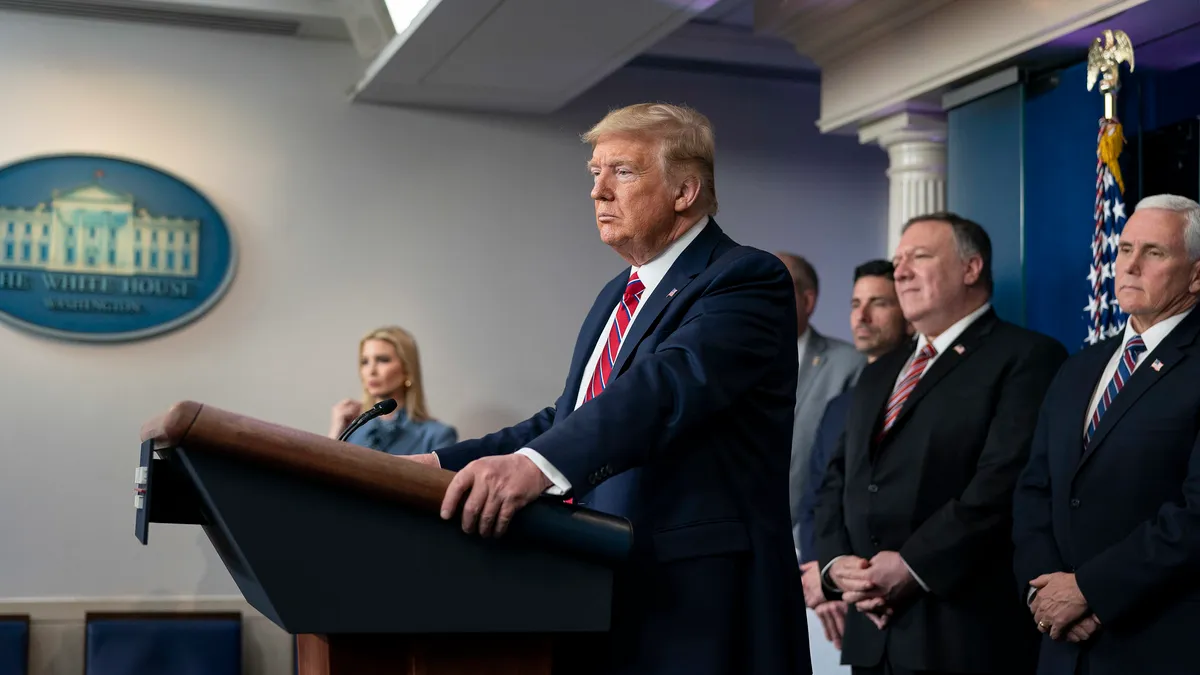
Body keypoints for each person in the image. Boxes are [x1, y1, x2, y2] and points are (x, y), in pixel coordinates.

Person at [402, 102, 809, 675]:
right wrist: (438, 463)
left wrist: (536, 467)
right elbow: (566, 417)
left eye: (622, 171)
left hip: (698, 600)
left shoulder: (746, 278)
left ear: (684, 191)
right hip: (602, 584)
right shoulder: (617, 293)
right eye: (594, 173)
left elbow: (662, 388)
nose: (598, 191)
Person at [815, 212, 1068, 675]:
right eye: (898, 260)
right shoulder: (877, 372)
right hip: (872, 632)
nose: (902, 271)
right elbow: (837, 480)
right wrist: (836, 567)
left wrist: (911, 565)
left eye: (920, 257)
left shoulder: (1027, 357)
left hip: (960, 632)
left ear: (971, 269)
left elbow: (1002, 483)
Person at [1012, 194, 1200, 675]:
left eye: (1154, 252)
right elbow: (1035, 489)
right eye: (1123, 249)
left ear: (1196, 274)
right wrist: (1044, 591)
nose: (1130, 266)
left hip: (1159, 643)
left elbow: (1196, 514)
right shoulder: (1080, 367)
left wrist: (1090, 590)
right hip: (1062, 644)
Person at [798, 259, 911, 656]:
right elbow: (818, 496)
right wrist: (824, 570)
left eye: (878, 303)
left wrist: (858, 580)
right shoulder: (839, 406)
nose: (861, 316)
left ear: (908, 313)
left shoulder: (925, 396)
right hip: (831, 597)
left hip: (899, 595)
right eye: (854, 304)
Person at [775, 252, 865, 558]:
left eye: (772, 288)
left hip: (811, 549)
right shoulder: (730, 364)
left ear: (807, 301)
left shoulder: (851, 365)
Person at [328, 325, 457, 455]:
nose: (371, 371)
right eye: (365, 362)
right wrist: (336, 432)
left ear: (407, 370)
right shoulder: (352, 430)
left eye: (382, 360)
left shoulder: (437, 436)